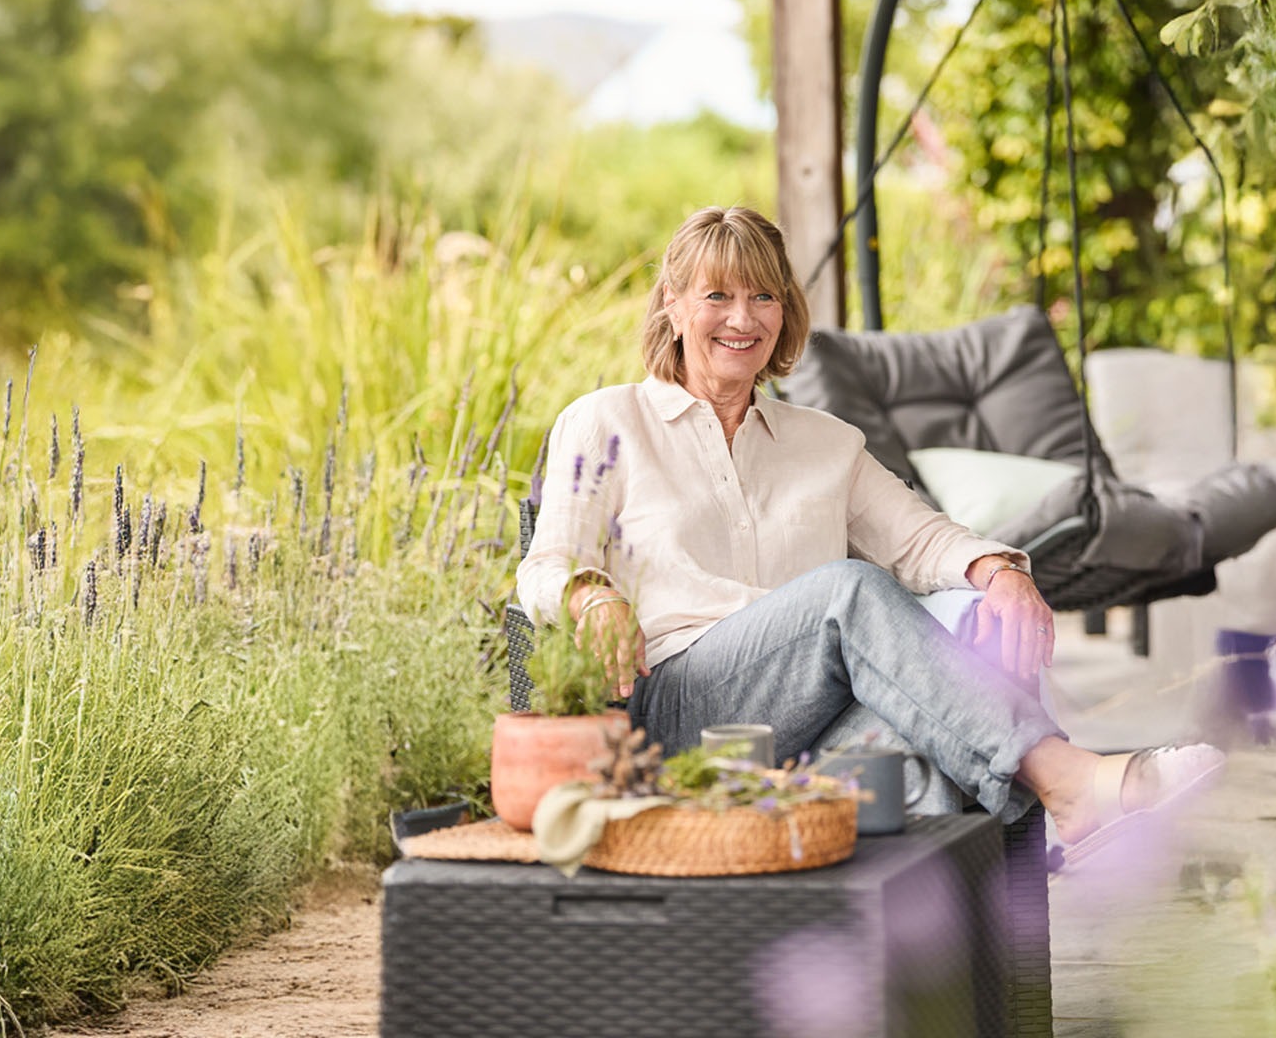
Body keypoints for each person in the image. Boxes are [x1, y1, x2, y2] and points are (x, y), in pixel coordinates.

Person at [515, 205, 1220, 850]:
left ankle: (942, 964)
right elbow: (544, 566)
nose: (743, 317)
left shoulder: (825, 442)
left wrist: (1000, 572)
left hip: (810, 719)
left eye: (764, 296)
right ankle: (1069, 781)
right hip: (679, 712)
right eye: (717, 296)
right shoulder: (607, 421)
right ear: (672, 306)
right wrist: (591, 594)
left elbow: (919, 538)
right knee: (846, 592)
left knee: (927, 741)